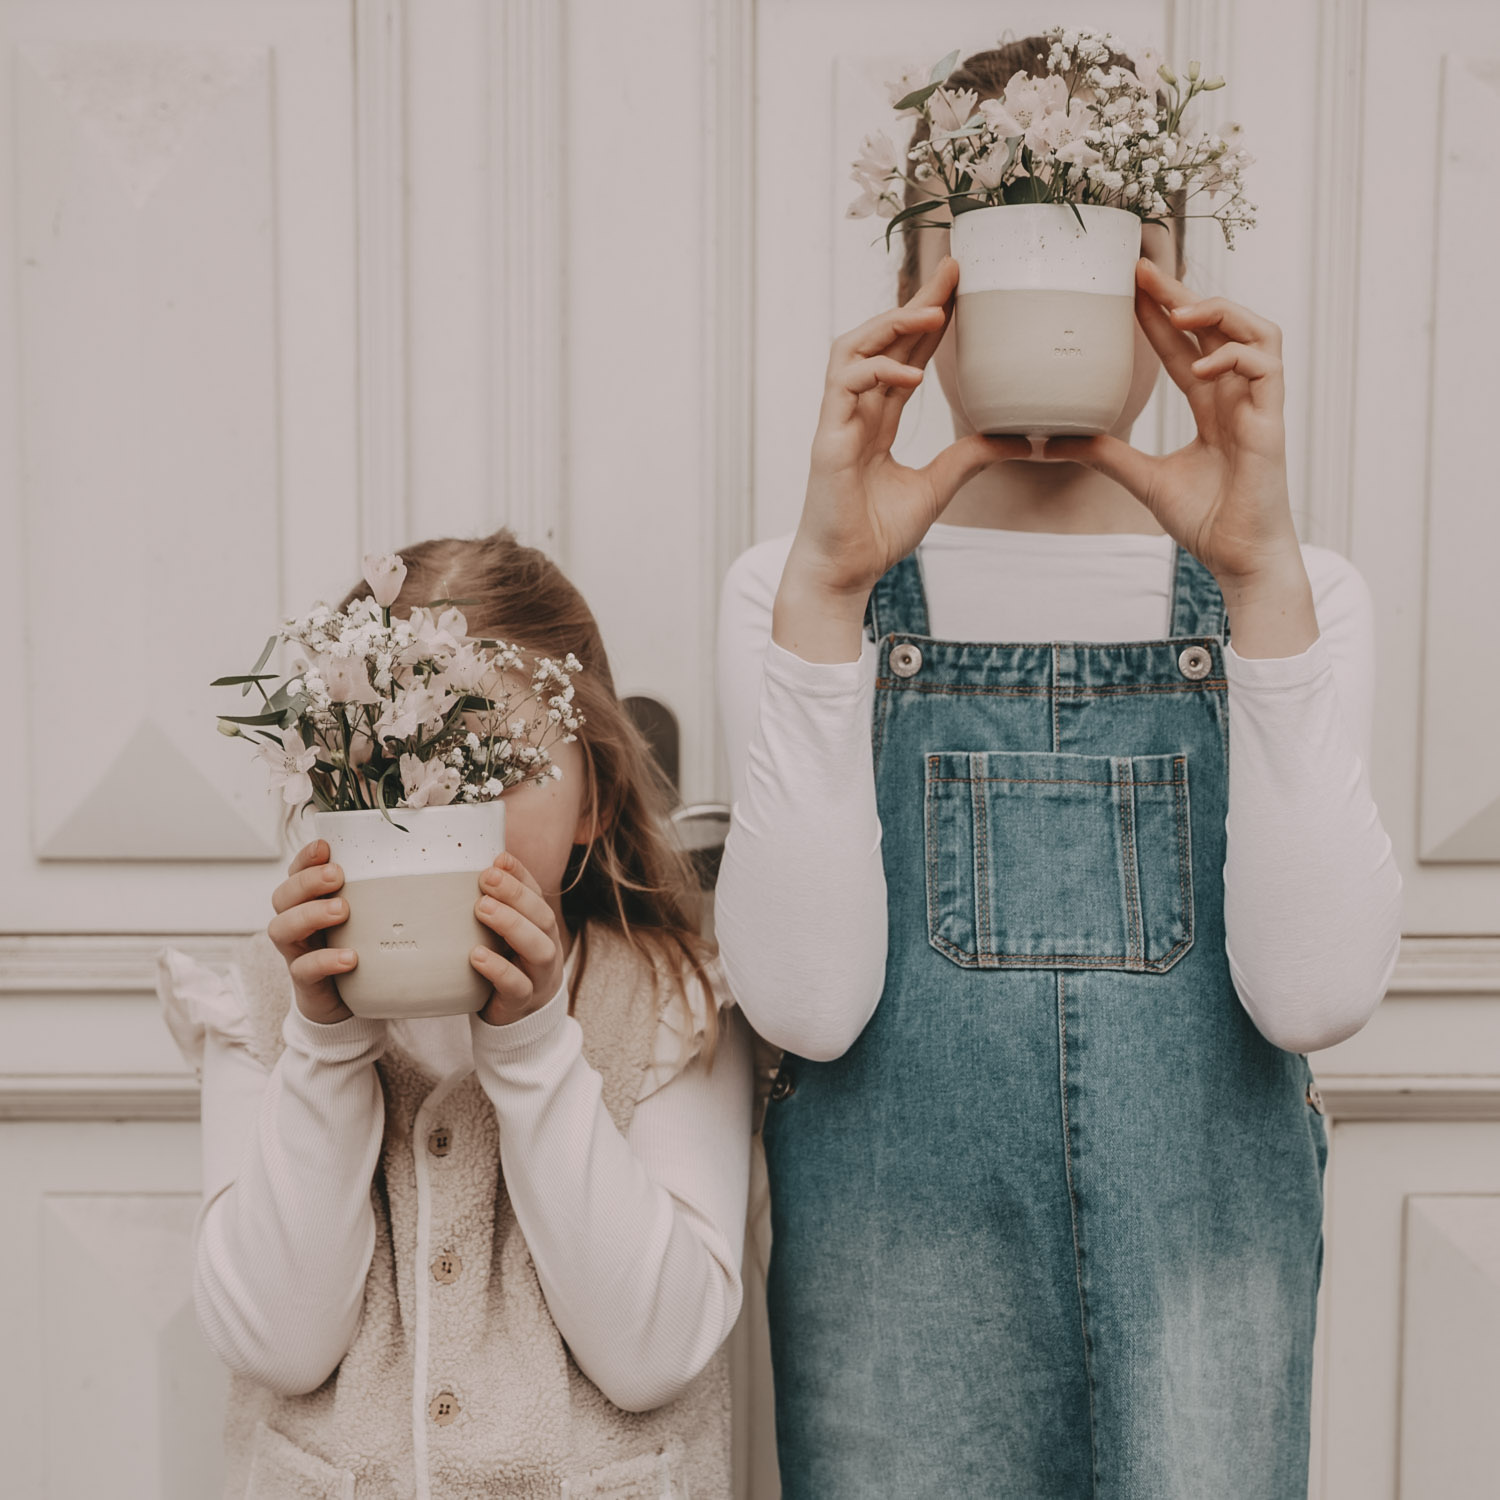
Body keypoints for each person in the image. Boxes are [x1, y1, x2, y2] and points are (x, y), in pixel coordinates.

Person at [714, 36, 1404, 1500]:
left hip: (1208, 1278)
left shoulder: (1300, 592)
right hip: (894, 1287)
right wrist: (828, 600)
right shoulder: (793, 587)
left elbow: (1316, 994)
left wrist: (1262, 580)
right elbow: (807, 1009)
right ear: (921, 286)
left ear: (1168, 294)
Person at [157, 529, 753, 1499]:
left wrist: (531, 1047)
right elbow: (276, 1342)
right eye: (393, 770)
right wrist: (325, 1046)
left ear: (594, 798)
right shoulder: (258, 1006)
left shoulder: (670, 1005)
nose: (440, 812)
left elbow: (655, 1350)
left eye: (492, 768)